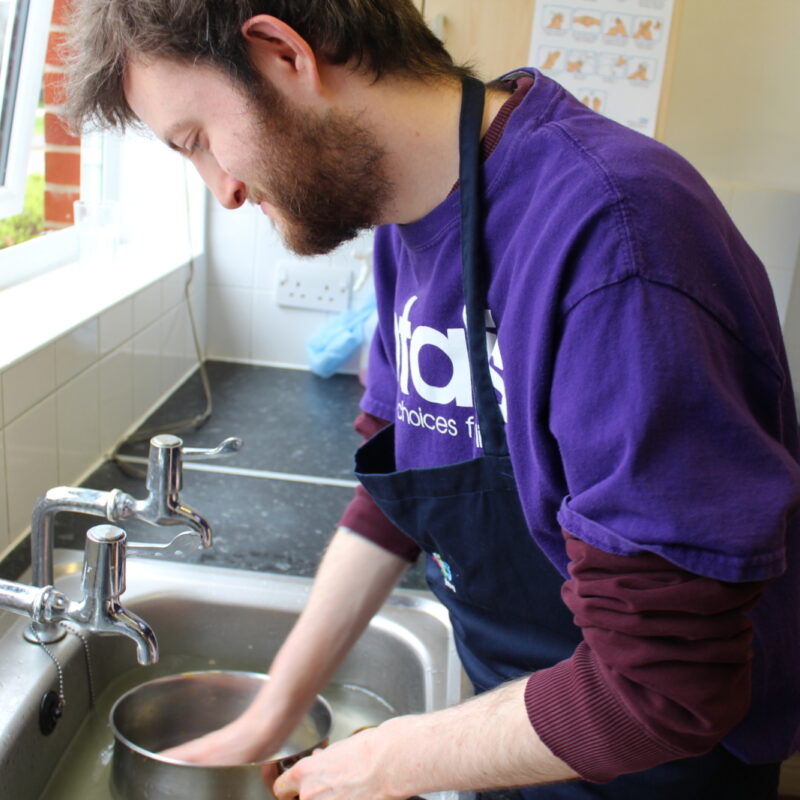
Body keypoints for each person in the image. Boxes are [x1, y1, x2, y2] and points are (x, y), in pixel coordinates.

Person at [64, 2, 800, 798]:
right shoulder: (409, 217)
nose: (224, 190)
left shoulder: (619, 235)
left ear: (282, 53)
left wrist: (390, 761)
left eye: (199, 140)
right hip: (518, 733)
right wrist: (272, 711)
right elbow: (402, 491)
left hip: (655, 767)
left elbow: (664, 687)